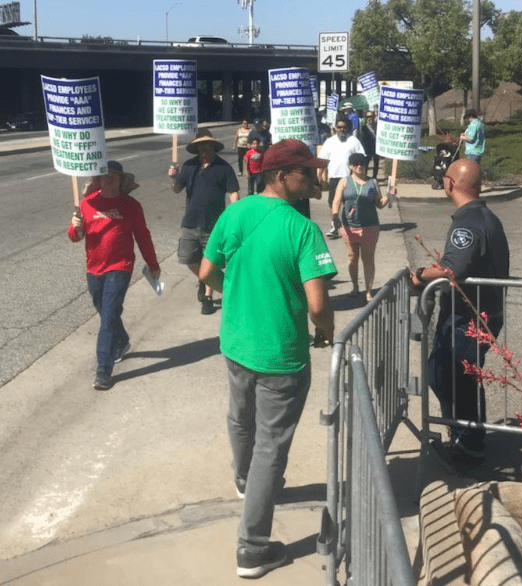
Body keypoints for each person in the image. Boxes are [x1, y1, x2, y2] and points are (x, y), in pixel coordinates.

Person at [199, 138, 336, 579]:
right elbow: (317, 306)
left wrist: (237, 294)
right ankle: (253, 547)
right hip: (281, 353)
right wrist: (327, 332)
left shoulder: (233, 214)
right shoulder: (302, 228)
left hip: (236, 342)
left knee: (241, 418)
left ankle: (244, 482)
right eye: (306, 171)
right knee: (271, 448)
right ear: (282, 177)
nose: (315, 177)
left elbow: (206, 273)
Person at [410, 158, 509, 464]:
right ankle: (462, 434)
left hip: (469, 316)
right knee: (450, 375)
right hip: (477, 313)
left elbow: (453, 267)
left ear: (450, 184)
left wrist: (420, 274)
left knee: (454, 377)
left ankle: (468, 444)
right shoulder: (482, 216)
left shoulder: (468, 222)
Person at [67, 160, 160, 391]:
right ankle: (122, 341)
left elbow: (143, 236)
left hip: (120, 266)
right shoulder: (87, 204)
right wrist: (74, 226)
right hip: (94, 268)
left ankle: (103, 372)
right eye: (103, 176)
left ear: (121, 180)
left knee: (108, 317)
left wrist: (153, 264)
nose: (108, 179)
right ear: (97, 180)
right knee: (106, 311)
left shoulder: (131, 205)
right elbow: (75, 237)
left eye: (113, 176)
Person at [168, 129, 239, 315]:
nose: (204, 150)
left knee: (211, 262)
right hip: (190, 222)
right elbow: (177, 190)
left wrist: (236, 215)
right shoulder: (189, 166)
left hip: (213, 224)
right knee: (189, 260)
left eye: (207, 147)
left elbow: (233, 192)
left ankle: (208, 297)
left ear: (214, 147)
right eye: (201, 147)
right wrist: (173, 178)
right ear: (197, 149)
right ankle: (203, 278)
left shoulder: (224, 168)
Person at [331, 152, 391, 300]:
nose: (359, 166)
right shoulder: (344, 181)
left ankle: (369, 290)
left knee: (368, 258)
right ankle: (355, 286)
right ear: (351, 166)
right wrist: (334, 215)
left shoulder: (373, 182)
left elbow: (379, 203)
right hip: (349, 226)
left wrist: (388, 196)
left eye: (362, 164)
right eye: (355, 164)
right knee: (352, 257)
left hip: (369, 226)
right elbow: (336, 201)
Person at [318, 114, 365, 239]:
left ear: (347, 128)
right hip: (334, 178)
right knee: (333, 203)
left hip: (349, 178)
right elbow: (323, 161)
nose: (342, 129)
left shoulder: (353, 141)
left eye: (344, 127)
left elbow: (361, 159)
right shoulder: (329, 142)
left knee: (350, 204)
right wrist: (318, 176)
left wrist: (361, 177)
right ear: (335, 128)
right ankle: (334, 226)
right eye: (339, 127)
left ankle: (350, 226)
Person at [360, 110, 380, 179]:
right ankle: (364, 177)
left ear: (374, 116)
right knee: (366, 164)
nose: (370, 118)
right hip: (367, 148)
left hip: (376, 148)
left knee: (376, 163)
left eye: (371, 116)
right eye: (368, 116)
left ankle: (374, 177)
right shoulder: (363, 127)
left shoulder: (378, 125)